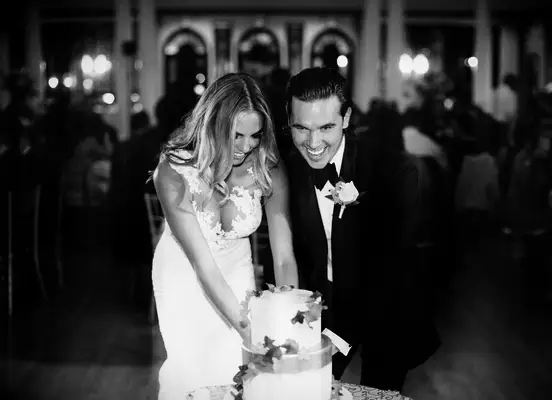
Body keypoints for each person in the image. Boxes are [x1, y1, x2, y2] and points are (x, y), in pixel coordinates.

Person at [283, 67, 440, 392]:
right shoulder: (287, 170)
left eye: (326, 127)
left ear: (346, 118)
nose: (313, 143)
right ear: (289, 121)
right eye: (302, 128)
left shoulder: (394, 170)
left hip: (385, 309)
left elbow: (395, 262)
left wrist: (336, 338)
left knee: (379, 393)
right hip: (324, 307)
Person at [152, 72, 298, 399]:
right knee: (190, 372)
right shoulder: (174, 169)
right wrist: (251, 329)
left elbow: (284, 255)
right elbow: (203, 266)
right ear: (213, 124)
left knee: (237, 368)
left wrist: (288, 317)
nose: (247, 147)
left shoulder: (268, 167)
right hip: (185, 273)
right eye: (237, 135)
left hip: (236, 268)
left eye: (255, 135)